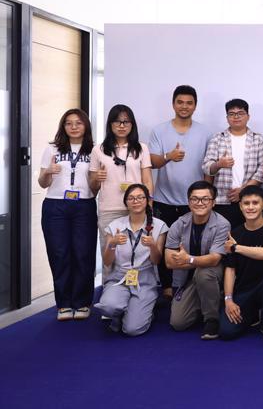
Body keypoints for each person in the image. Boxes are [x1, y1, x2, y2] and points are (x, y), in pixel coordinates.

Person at [148, 85, 212, 302]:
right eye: (180, 102)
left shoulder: (205, 132)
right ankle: (166, 285)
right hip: (164, 199)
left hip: (194, 202)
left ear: (195, 105)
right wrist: (169, 155)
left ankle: (190, 285)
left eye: (189, 102)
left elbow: (208, 167)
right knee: (164, 242)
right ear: (173, 104)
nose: (184, 106)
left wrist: (207, 195)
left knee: (195, 243)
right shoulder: (159, 130)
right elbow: (153, 162)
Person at [38, 109, 97, 321]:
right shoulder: (52, 148)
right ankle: (63, 304)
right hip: (55, 207)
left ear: (86, 126)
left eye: (78, 123)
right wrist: (47, 172)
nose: (73, 127)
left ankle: (82, 302)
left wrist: (97, 179)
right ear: (63, 126)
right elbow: (43, 183)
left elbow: (95, 186)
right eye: (69, 123)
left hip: (83, 206)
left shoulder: (95, 150)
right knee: (59, 253)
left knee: (83, 253)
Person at [90, 104, 153, 279]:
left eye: (126, 121)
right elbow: (92, 186)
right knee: (110, 251)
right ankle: (109, 291)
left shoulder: (141, 148)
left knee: (138, 250)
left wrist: (149, 205)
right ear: (110, 124)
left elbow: (147, 180)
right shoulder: (99, 150)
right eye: (117, 121)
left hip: (136, 208)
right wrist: (97, 178)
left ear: (132, 124)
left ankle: (139, 292)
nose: (122, 125)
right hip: (109, 209)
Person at [95, 184, 167, 336]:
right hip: (119, 277)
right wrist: (112, 244)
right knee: (108, 306)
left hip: (144, 280)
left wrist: (153, 246)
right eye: (131, 198)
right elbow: (107, 262)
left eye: (140, 197)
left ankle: (141, 310)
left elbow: (156, 261)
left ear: (147, 200)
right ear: (126, 202)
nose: (136, 201)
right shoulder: (115, 225)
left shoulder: (158, 225)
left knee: (132, 330)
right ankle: (124, 310)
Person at [165, 180, 230, 340]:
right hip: (186, 280)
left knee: (204, 273)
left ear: (213, 203)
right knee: (178, 323)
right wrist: (199, 261)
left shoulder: (222, 224)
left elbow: (215, 259)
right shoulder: (178, 224)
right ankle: (208, 300)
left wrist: (189, 259)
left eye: (205, 199)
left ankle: (211, 319)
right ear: (188, 202)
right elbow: (169, 262)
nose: (200, 203)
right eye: (195, 199)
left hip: (212, 275)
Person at [219, 185, 263, 341]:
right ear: (240, 206)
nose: (251, 207)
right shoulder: (235, 233)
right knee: (227, 332)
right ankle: (252, 314)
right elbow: (230, 270)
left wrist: (236, 248)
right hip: (244, 291)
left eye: (255, 203)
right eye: (246, 203)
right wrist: (228, 299)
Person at [202, 98, 263, 230]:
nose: (236, 117)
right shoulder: (217, 138)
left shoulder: (258, 139)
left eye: (240, 113)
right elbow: (207, 167)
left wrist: (243, 190)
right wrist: (219, 164)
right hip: (222, 200)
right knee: (223, 240)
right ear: (227, 118)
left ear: (248, 116)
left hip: (250, 201)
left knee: (248, 239)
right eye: (232, 114)